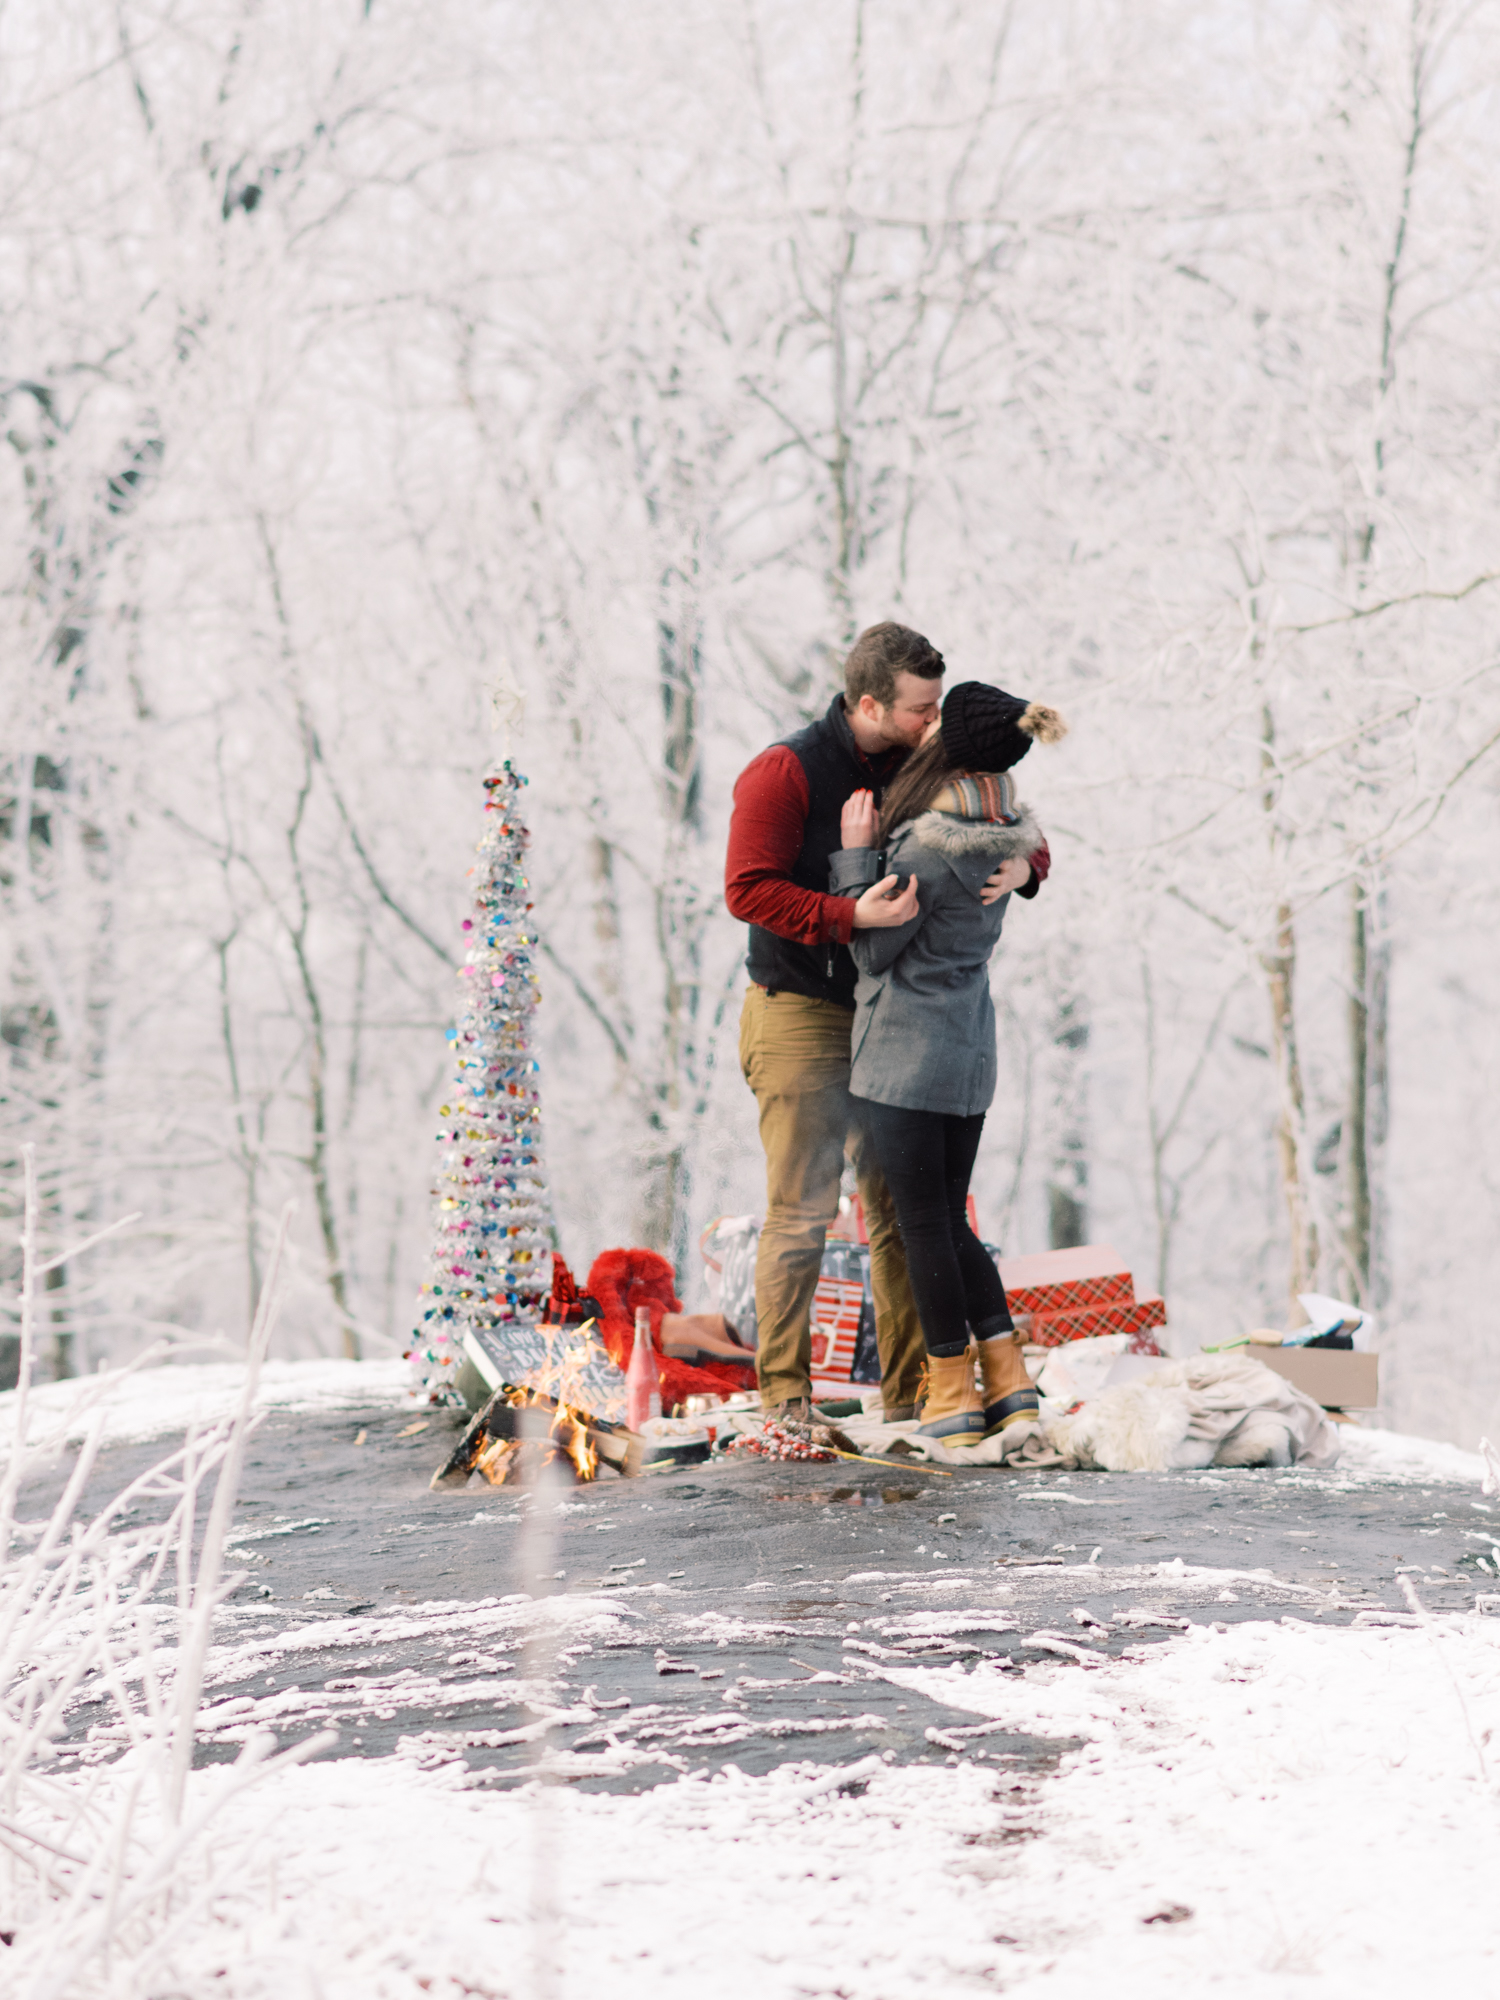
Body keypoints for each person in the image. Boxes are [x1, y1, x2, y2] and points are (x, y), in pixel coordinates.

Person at [725, 624, 1050, 1430]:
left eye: (938, 706)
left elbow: (994, 814)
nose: (932, 721)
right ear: (869, 703)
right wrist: (845, 911)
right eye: (919, 708)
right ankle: (787, 1394)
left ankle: (914, 1393)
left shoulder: (927, 759)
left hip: (892, 1020)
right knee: (801, 1212)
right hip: (800, 1007)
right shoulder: (785, 772)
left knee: (902, 1215)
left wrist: (1031, 865)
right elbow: (747, 889)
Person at [830, 680, 1067, 1446]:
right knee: (949, 1217)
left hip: (903, 1055)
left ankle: (949, 1388)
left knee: (924, 1222)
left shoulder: (924, 848)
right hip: (968, 1051)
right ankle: (1008, 1377)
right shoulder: (1010, 837)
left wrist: (856, 858)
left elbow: (870, 945)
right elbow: (1032, 861)